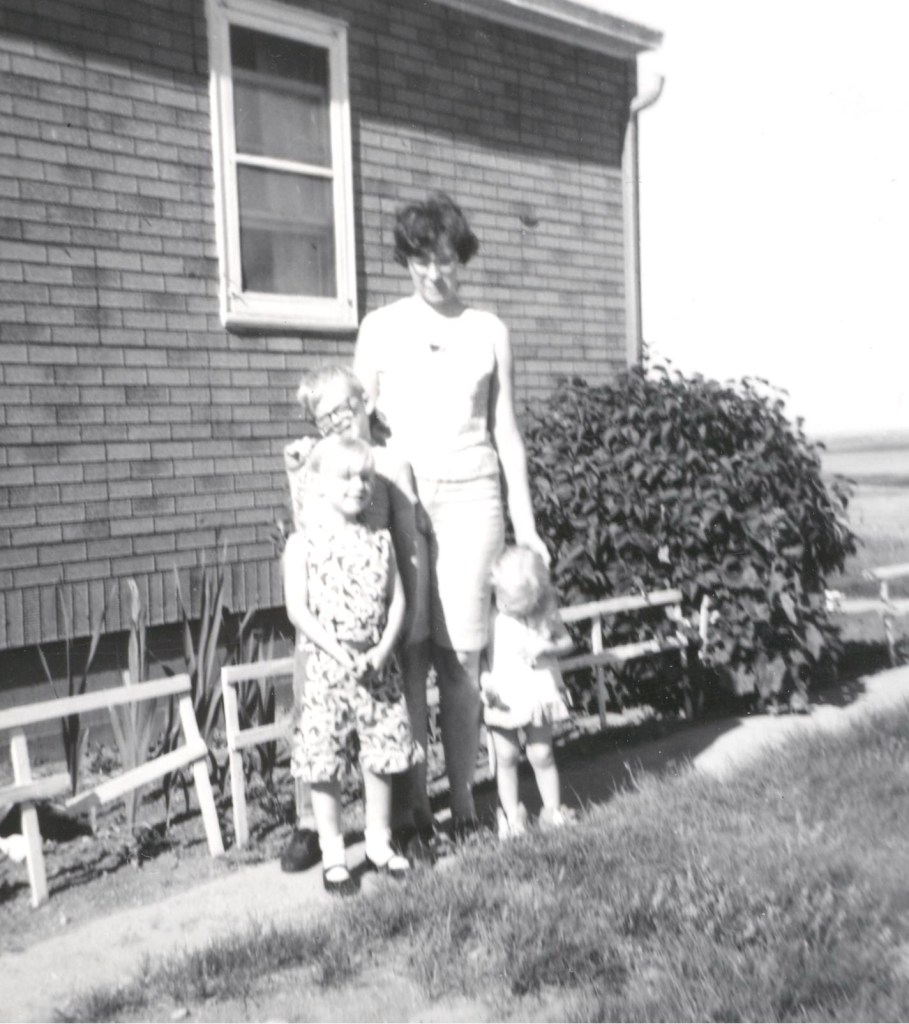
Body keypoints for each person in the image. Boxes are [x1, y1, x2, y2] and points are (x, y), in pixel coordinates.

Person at [354, 192, 549, 836]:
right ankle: (416, 810)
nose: (434, 274)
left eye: (445, 260)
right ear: (406, 260)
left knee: (462, 658)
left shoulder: (488, 330)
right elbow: (356, 429)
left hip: (473, 496)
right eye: (420, 260)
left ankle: (463, 801)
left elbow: (508, 435)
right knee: (407, 655)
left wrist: (529, 532)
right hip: (403, 499)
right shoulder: (380, 328)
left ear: (460, 258)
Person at [280, 366, 440, 875]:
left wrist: (410, 621)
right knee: (315, 725)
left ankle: (406, 820)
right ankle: (314, 826)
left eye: (344, 409)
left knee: (397, 722)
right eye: (324, 418)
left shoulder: (390, 465)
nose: (338, 424)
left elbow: (411, 546)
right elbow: (307, 536)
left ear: (365, 401)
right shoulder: (316, 462)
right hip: (327, 629)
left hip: (382, 623)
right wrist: (297, 474)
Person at [481, 546, 575, 837]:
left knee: (542, 753)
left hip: (536, 694)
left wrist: (547, 646)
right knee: (506, 757)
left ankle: (552, 809)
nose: (506, 606)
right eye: (503, 599)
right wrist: (485, 681)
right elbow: (482, 657)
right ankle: (512, 815)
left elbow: (567, 642)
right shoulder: (492, 617)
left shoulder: (545, 613)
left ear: (534, 597)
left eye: (514, 603)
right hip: (504, 698)